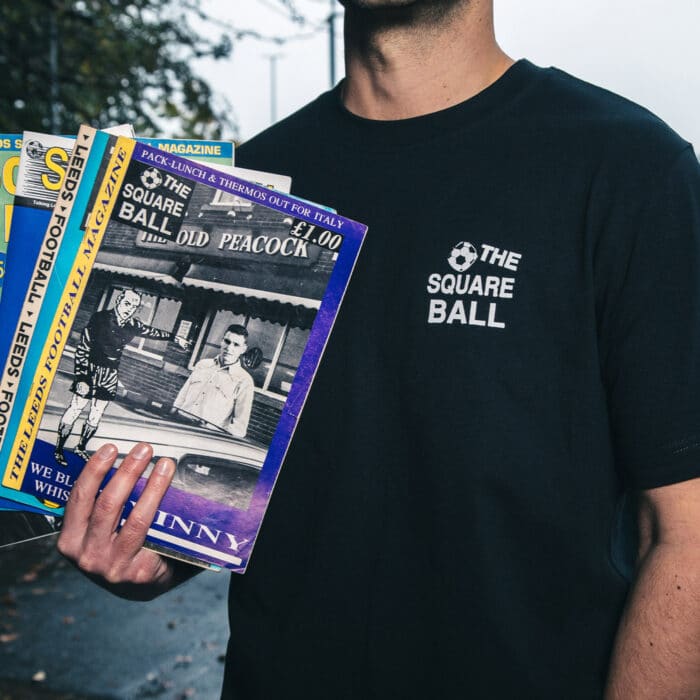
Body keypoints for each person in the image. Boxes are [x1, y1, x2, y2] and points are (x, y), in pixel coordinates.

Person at [57, 1, 700, 697]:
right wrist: (151, 550)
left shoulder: (628, 168)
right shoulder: (254, 181)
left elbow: (687, 537)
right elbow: (251, 499)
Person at [54, 289, 189, 465]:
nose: (130, 308)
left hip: (110, 374)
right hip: (90, 369)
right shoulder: (100, 318)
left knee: (96, 414)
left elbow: (152, 332)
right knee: (75, 409)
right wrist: (81, 376)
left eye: (134, 306)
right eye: (127, 303)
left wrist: (175, 337)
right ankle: (58, 450)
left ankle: (80, 447)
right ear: (119, 300)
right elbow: (84, 347)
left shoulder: (133, 325)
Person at [172, 324, 254, 438]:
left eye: (236, 345)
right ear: (221, 341)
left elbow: (239, 427)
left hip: (204, 436)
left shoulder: (244, 381)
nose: (229, 348)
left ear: (243, 349)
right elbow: (182, 396)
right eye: (227, 341)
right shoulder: (202, 365)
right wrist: (172, 414)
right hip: (178, 426)